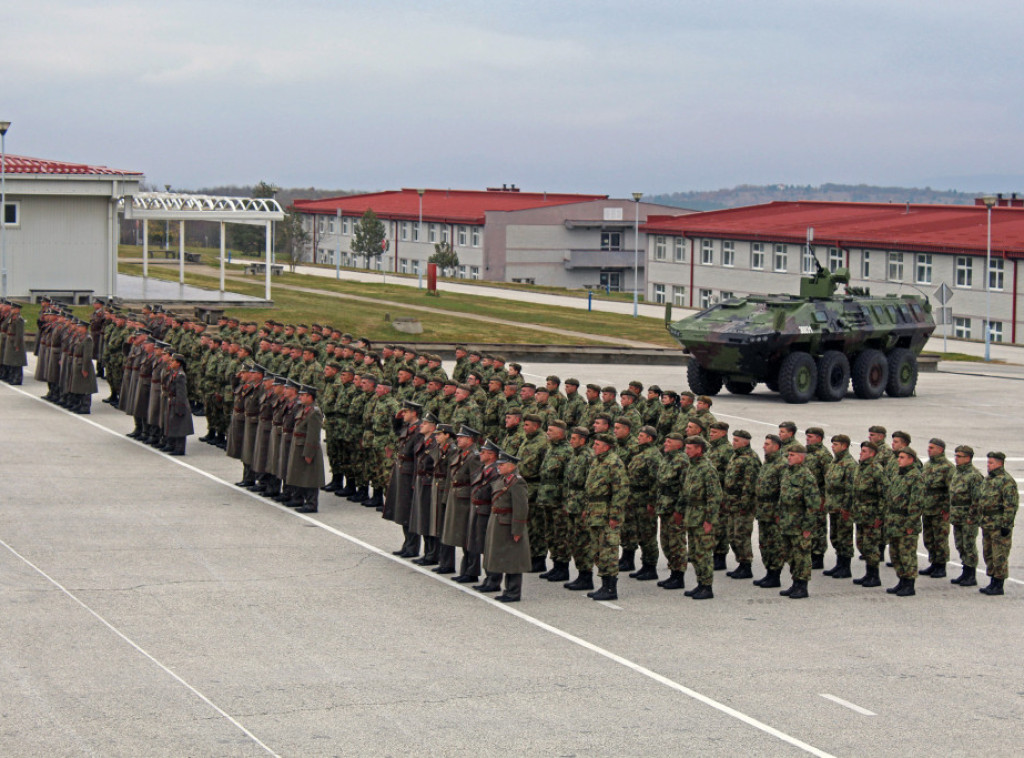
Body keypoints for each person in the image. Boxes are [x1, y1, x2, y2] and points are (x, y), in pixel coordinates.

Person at [583, 432, 629, 601]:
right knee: (597, 550)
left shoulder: (614, 463)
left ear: (607, 447)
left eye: (597, 444)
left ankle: (610, 588)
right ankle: (603, 584)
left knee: (608, 550)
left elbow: (621, 490)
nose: (594, 447)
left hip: (607, 513)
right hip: (595, 511)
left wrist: (615, 515)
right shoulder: (598, 461)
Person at [482, 449, 532, 603]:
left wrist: (517, 529)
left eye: (502, 465)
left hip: (508, 523)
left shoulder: (517, 482)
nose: (499, 467)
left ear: (511, 466)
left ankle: (513, 592)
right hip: (498, 521)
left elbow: (521, 508)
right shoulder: (504, 479)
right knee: (503, 557)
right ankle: (507, 589)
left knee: (513, 559)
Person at [777, 443, 820, 599]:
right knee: (790, 555)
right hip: (787, 522)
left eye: (792, 455)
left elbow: (813, 504)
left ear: (801, 457)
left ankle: (802, 586)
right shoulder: (788, 473)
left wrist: (808, 526)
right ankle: (795, 583)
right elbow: (782, 498)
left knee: (801, 555)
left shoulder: (806, 477)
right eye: (788, 455)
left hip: (800, 523)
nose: (789, 457)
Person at [681, 435, 722, 600]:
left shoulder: (707, 469)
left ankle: (707, 586)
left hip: (702, 515)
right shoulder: (693, 467)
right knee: (694, 552)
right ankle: (700, 583)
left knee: (703, 552)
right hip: (692, 514)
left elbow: (714, 496)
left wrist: (709, 520)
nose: (686, 450)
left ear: (699, 449)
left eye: (690, 448)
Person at [978, 451, 1019, 596]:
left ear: (1000, 463)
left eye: (991, 463)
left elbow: (1010, 505)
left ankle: (999, 583)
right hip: (987, 524)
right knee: (988, 553)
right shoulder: (988, 480)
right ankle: (992, 581)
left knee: (999, 555)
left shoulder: (1007, 481)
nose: (988, 465)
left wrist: (1006, 525)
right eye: (988, 462)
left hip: (998, 525)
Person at [886, 447, 925, 597]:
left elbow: (916, 503)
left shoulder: (916, 477)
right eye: (899, 457)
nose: (899, 460)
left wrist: (910, 524)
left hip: (906, 522)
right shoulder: (898, 475)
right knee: (895, 553)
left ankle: (909, 584)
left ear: (911, 459)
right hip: (895, 521)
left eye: (902, 457)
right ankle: (901, 580)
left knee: (907, 553)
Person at [723, 430, 761, 580]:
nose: (734, 443)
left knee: (741, 535)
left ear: (746, 442)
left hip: (742, 504)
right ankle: (740, 562)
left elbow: (750, 485)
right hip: (732, 502)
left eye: (737, 440)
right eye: (734, 440)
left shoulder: (750, 459)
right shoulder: (736, 456)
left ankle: (746, 565)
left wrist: (744, 505)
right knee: (732, 535)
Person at [286, 384, 326, 513]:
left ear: (310, 397)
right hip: (299, 445)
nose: (301, 397)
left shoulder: (314, 412)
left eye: (303, 395)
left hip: (307, 447)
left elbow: (313, 435)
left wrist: (309, 453)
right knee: (300, 474)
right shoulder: (304, 409)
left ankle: (311, 503)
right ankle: (300, 498)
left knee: (310, 476)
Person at [948, 445, 983, 587]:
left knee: (969, 545)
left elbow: (977, 500)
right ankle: (965, 572)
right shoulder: (957, 473)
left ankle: (971, 574)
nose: (956, 459)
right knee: (960, 545)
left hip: (968, 518)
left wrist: (972, 518)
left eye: (959, 456)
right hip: (957, 516)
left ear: (968, 458)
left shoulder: (974, 476)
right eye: (955, 456)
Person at [919, 438, 954, 579]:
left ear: (940, 449)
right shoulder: (927, 466)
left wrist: (946, 509)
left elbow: (951, 491)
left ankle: (941, 566)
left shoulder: (948, 467)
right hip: (927, 508)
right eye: (929, 447)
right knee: (929, 538)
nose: (929, 450)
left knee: (940, 539)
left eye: (932, 448)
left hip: (939, 510)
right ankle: (933, 562)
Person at [822, 434, 856, 579]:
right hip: (833, 506)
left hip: (843, 507)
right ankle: (839, 564)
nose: (833, 447)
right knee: (835, 536)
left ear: (844, 446)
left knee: (845, 537)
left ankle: (845, 567)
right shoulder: (835, 462)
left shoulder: (849, 464)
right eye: (833, 444)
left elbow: (850, 488)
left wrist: (847, 507)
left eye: (836, 444)